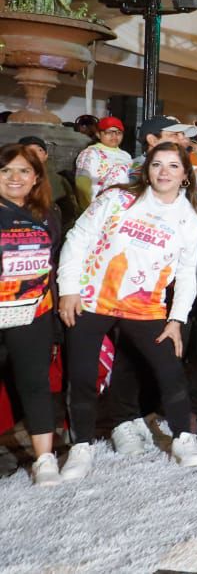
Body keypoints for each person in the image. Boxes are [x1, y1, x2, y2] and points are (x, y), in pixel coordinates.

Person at [56, 142, 197, 480]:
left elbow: (187, 273)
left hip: (145, 306)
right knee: (81, 375)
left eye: (173, 166)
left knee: (170, 371)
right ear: (146, 170)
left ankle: (183, 438)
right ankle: (82, 446)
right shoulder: (116, 198)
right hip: (92, 299)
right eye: (157, 164)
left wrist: (176, 319)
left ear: (185, 175)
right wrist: (68, 290)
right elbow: (77, 239)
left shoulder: (192, 217)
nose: (164, 172)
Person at [0, 145, 63, 485]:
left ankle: (44, 459)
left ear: (36, 177)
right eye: (6, 170)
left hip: (32, 313)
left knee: (35, 384)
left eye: (23, 170)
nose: (15, 177)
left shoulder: (48, 215)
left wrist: (53, 323)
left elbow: (51, 268)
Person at [19, 135, 78, 231]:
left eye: (39, 150)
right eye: (28, 150)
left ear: (46, 155)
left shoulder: (59, 180)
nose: (34, 153)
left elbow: (69, 213)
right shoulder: (8, 179)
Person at [74, 116, 131, 206]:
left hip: (121, 206)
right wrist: (88, 208)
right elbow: (82, 183)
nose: (114, 136)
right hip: (98, 205)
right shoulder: (91, 153)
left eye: (118, 132)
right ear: (98, 134)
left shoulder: (126, 156)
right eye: (109, 132)